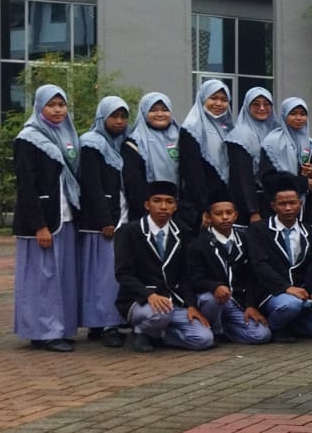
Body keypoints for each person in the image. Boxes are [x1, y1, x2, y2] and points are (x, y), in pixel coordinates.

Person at [13, 84, 83, 352]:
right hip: (43, 222)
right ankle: (43, 333)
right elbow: (26, 186)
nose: (57, 110)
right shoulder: (28, 138)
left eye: (61, 105)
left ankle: (60, 328)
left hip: (65, 218)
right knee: (42, 280)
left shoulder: (68, 135)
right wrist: (39, 225)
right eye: (51, 105)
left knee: (63, 278)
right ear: (39, 107)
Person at [113, 181, 215, 353]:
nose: (163, 206)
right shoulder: (129, 231)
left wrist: (191, 305)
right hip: (140, 300)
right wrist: (149, 294)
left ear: (175, 207)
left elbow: (185, 273)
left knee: (204, 339)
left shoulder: (182, 231)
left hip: (172, 300)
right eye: (157, 201)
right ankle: (140, 331)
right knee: (160, 314)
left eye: (169, 202)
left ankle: (157, 334)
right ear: (147, 205)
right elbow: (123, 273)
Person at [245, 174, 312, 342]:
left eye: (293, 203)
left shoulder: (311, 232)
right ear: (273, 206)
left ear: (300, 204)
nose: (288, 208)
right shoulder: (258, 231)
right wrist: (286, 288)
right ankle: (276, 327)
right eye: (282, 204)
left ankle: (291, 323)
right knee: (290, 304)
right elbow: (259, 265)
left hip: (302, 293)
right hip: (273, 292)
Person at [76, 95, 129, 348]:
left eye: (123, 116)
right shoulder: (91, 143)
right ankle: (107, 325)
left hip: (120, 215)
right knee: (103, 276)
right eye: (113, 116)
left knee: (109, 275)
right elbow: (91, 185)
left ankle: (102, 323)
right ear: (102, 117)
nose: (119, 121)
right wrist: (104, 219)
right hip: (101, 223)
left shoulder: (122, 144)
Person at [187, 195, 272, 345]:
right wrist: (214, 286)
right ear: (208, 217)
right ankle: (214, 329)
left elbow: (253, 276)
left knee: (262, 335)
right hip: (213, 299)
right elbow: (194, 278)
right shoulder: (198, 244)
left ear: (236, 215)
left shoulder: (245, 239)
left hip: (237, 300)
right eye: (218, 214)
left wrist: (251, 305)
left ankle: (225, 329)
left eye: (229, 213)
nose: (225, 217)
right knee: (209, 300)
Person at [123, 93, 196, 234]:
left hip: (180, 213)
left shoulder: (182, 139)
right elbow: (133, 184)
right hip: (145, 213)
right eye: (153, 110)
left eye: (164, 109)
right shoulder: (133, 143)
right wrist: (151, 209)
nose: (160, 114)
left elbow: (191, 176)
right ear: (144, 112)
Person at [179, 79, 233, 219]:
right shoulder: (191, 128)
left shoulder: (228, 127)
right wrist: (204, 207)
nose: (218, 103)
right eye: (213, 98)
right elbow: (192, 172)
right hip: (201, 204)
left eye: (224, 100)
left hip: (225, 201)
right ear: (203, 98)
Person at [224, 87, 277, 224]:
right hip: (251, 206)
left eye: (266, 104)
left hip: (274, 203)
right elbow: (242, 178)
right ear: (247, 106)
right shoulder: (239, 136)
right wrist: (253, 211)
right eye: (256, 104)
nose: (262, 108)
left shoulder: (275, 131)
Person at [257, 97, 312, 215]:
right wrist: (302, 182)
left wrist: (310, 173)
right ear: (284, 115)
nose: (298, 118)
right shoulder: (272, 142)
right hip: (276, 205)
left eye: (303, 114)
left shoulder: (309, 142)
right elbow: (267, 179)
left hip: (303, 204)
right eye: (293, 114)